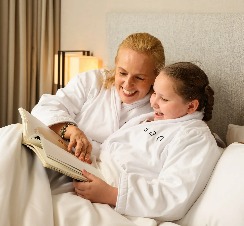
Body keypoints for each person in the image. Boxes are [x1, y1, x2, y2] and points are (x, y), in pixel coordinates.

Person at [73, 62, 222, 222]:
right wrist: (82, 152)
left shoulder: (195, 138)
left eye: (164, 99)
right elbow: (111, 147)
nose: (153, 103)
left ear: (191, 106)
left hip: (114, 200)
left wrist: (111, 195)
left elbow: (173, 197)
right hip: (92, 174)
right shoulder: (154, 119)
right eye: (154, 93)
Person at [31, 32, 165, 163]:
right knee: (13, 133)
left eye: (139, 77)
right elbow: (46, 107)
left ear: (156, 77)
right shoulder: (93, 81)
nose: (128, 84)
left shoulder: (161, 109)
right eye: (122, 73)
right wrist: (72, 131)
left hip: (101, 174)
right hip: (59, 155)